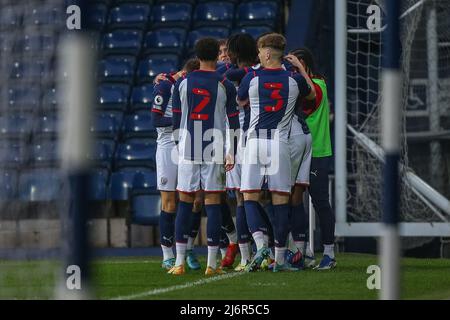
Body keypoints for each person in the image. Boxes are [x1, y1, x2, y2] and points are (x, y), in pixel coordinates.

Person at [238, 33, 315, 272]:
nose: (259, 56)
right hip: (280, 144)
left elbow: (241, 102)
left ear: (268, 53)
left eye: (261, 51)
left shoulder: (252, 77)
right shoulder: (293, 80)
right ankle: (280, 260)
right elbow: (312, 95)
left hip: (255, 143)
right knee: (281, 200)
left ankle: (261, 244)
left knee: (249, 196)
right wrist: (301, 69)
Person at [169, 38, 240, 276]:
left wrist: (180, 145)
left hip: (188, 148)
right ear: (216, 56)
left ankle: (178, 263)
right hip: (215, 148)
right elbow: (234, 121)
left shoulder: (183, 83)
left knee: (185, 204)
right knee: (213, 205)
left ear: (197, 56)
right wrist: (233, 151)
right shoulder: (226, 85)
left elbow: (176, 119)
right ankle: (212, 265)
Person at [151, 59, 204, 271]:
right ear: (185, 74)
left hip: (188, 145)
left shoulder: (190, 84)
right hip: (167, 148)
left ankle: (188, 249)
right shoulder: (165, 85)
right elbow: (155, 120)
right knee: (169, 202)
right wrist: (183, 123)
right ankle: (167, 255)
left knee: (196, 198)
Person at [287, 47, 336, 270]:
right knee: (294, 200)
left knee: (320, 202)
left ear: (305, 65)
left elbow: (313, 95)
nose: (294, 71)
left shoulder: (319, 84)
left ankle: (329, 253)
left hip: (317, 151)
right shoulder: (295, 86)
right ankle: (301, 250)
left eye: (297, 66)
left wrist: (299, 69)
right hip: (297, 152)